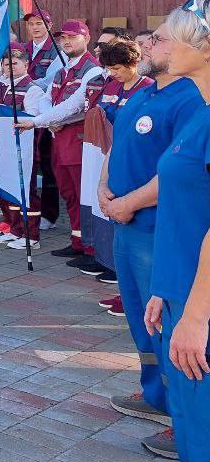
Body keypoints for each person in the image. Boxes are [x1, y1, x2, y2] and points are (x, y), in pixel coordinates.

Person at [98, 20, 205, 461]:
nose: (144, 45)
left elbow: (181, 170)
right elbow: (116, 145)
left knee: (169, 324)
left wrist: (129, 203)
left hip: (155, 227)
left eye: (156, 39)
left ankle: (186, 422)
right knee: (143, 319)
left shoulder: (192, 99)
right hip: (124, 221)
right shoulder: (141, 92)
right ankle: (156, 396)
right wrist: (104, 188)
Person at [144, 0, 210, 462]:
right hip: (181, 292)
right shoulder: (198, 113)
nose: (156, 41)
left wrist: (194, 317)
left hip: (201, 310)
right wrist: (165, 291)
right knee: (192, 438)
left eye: (168, 34)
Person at [22, 20, 104, 258]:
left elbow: (77, 105)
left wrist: (44, 121)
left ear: (86, 38)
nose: (66, 41)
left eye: (72, 37)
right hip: (59, 139)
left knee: (82, 194)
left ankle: (91, 248)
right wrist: (48, 119)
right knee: (68, 193)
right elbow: (47, 99)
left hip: (79, 141)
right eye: (63, 38)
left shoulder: (93, 70)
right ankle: (77, 241)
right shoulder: (62, 70)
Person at [83, 40, 153, 283]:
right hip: (107, 156)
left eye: (117, 69)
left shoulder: (147, 89)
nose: (113, 74)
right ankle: (114, 270)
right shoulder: (112, 87)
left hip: (133, 164)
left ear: (133, 63)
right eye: (110, 70)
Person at [0, 50, 45, 248]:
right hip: (3, 148)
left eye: (15, 64)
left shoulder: (32, 88)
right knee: (7, 191)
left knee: (26, 193)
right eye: (6, 64)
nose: (10, 68)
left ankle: (31, 236)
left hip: (23, 150)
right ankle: (14, 229)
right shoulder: (1, 86)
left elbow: (33, 117)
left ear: (26, 65)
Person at [20, 10, 62, 228]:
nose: (34, 27)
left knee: (47, 165)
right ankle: (23, 210)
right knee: (23, 162)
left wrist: (27, 85)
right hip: (22, 114)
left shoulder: (56, 50)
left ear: (49, 24)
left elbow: (53, 79)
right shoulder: (22, 49)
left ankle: (49, 214)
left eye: (39, 23)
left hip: (45, 114)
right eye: (31, 24)